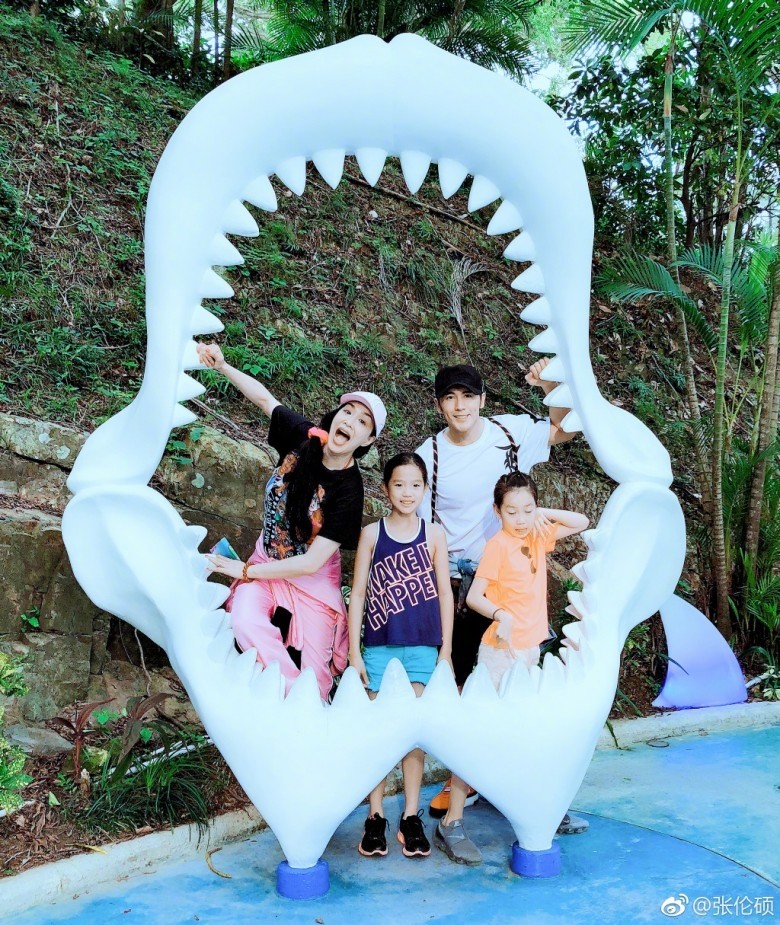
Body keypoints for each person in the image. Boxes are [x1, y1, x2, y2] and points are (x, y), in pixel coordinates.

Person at [415, 359, 583, 864]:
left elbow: (562, 429)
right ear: (439, 405)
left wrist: (548, 383)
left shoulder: (509, 432)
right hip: (463, 585)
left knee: (517, 703)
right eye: (450, 397)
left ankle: (511, 791)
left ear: (483, 399)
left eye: (468, 395)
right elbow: (418, 526)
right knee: (470, 697)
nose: (460, 405)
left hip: (516, 592)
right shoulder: (429, 455)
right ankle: (458, 798)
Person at [200, 341, 386, 702]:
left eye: (362, 422)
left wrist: (245, 571)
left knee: (316, 679)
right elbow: (265, 400)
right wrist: (222, 365)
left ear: (369, 439)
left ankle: (310, 706)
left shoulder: (350, 491)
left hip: (311, 581)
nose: (350, 421)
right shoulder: (305, 439)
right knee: (245, 622)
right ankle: (289, 695)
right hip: (266, 562)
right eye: (347, 412)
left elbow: (312, 562)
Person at [348, 452, 454, 860]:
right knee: (378, 732)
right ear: (386, 488)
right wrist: (354, 651)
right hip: (379, 646)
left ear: (424, 488)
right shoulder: (371, 534)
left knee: (413, 735)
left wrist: (446, 649)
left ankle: (410, 816)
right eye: (399, 484)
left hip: (423, 647)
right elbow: (358, 593)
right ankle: (375, 815)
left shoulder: (434, 535)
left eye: (415, 485)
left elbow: (445, 594)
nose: (407, 492)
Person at [466, 472, 589, 685]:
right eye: (512, 512)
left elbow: (582, 522)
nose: (521, 520)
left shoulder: (536, 535)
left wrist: (543, 512)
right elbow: (473, 597)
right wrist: (502, 616)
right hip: (501, 649)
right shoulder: (498, 545)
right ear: (497, 510)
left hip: (532, 645)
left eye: (528, 510)